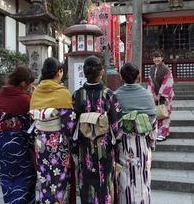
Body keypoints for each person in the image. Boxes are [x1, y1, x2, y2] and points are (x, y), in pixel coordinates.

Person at [72, 55, 122, 204]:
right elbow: (116, 125)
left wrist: (75, 146)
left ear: (85, 73)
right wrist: (115, 143)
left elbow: (73, 124)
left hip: (85, 146)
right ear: (101, 72)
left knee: (86, 184)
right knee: (104, 184)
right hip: (104, 147)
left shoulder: (77, 95)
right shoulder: (109, 95)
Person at [29, 57, 77, 204]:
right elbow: (69, 124)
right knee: (59, 179)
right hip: (58, 142)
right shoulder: (62, 92)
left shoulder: (36, 92)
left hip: (41, 142)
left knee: (44, 178)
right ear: (59, 72)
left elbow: (33, 118)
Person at [115, 63, 156, 204]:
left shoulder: (116, 95)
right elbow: (153, 123)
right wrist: (151, 143)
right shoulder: (146, 95)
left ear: (121, 77)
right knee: (143, 177)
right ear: (138, 76)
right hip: (142, 143)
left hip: (124, 144)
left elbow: (114, 123)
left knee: (124, 178)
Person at [0, 66, 36, 204]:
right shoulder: (24, 99)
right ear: (23, 83)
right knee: (25, 177)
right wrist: (33, 96)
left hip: (3, 143)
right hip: (19, 144)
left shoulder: (3, 92)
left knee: (7, 176)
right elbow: (33, 111)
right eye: (30, 82)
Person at [147, 51, 174, 141]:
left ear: (162, 58)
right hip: (155, 95)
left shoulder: (166, 69)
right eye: (154, 57)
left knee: (164, 113)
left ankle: (164, 133)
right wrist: (153, 94)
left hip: (164, 95)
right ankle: (158, 132)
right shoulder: (151, 69)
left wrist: (160, 94)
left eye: (158, 57)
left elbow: (168, 82)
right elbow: (150, 83)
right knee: (157, 114)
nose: (156, 59)